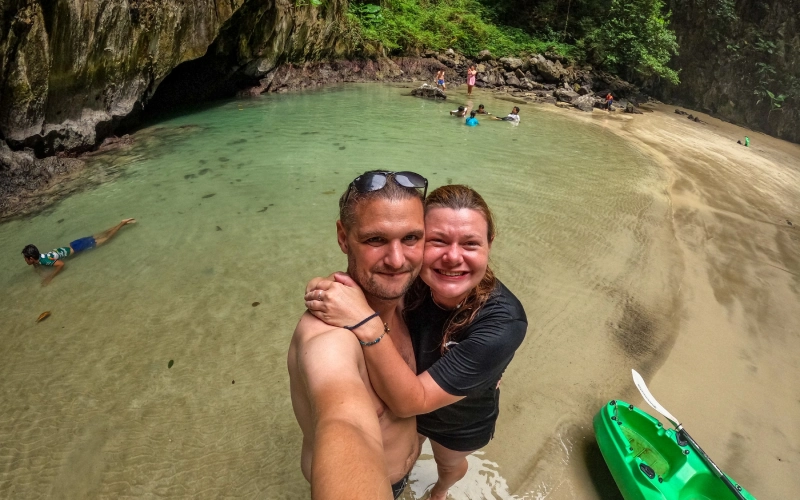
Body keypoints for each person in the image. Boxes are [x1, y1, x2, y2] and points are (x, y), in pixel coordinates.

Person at [305, 185, 528, 500]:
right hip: (412, 402)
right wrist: (323, 287)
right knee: (413, 439)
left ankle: (441, 490)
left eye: (470, 243)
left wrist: (367, 326)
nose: (453, 257)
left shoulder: (503, 322)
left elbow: (411, 400)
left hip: (460, 417)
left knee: (448, 462)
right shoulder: (412, 282)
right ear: (417, 241)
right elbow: (359, 281)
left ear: (489, 244)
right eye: (437, 240)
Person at [289, 171, 429, 500]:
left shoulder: (410, 298)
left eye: (411, 238)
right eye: (375, 240)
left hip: (403, 470)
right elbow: (344, 424)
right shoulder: (329, 340)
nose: (397, 261)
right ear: (343, 236)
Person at [21, 218, 136, 286]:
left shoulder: (45, 261)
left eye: (26, 258)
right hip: (73, 244)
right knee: (102, 234)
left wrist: (51, 276)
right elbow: (40, 262)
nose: (25, 260)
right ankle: (122, 223)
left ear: (31, 258)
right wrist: (37, 268)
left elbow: (61, 264)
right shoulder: (41, 257)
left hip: (78, 248)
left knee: (106, 239)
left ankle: (122, 223)